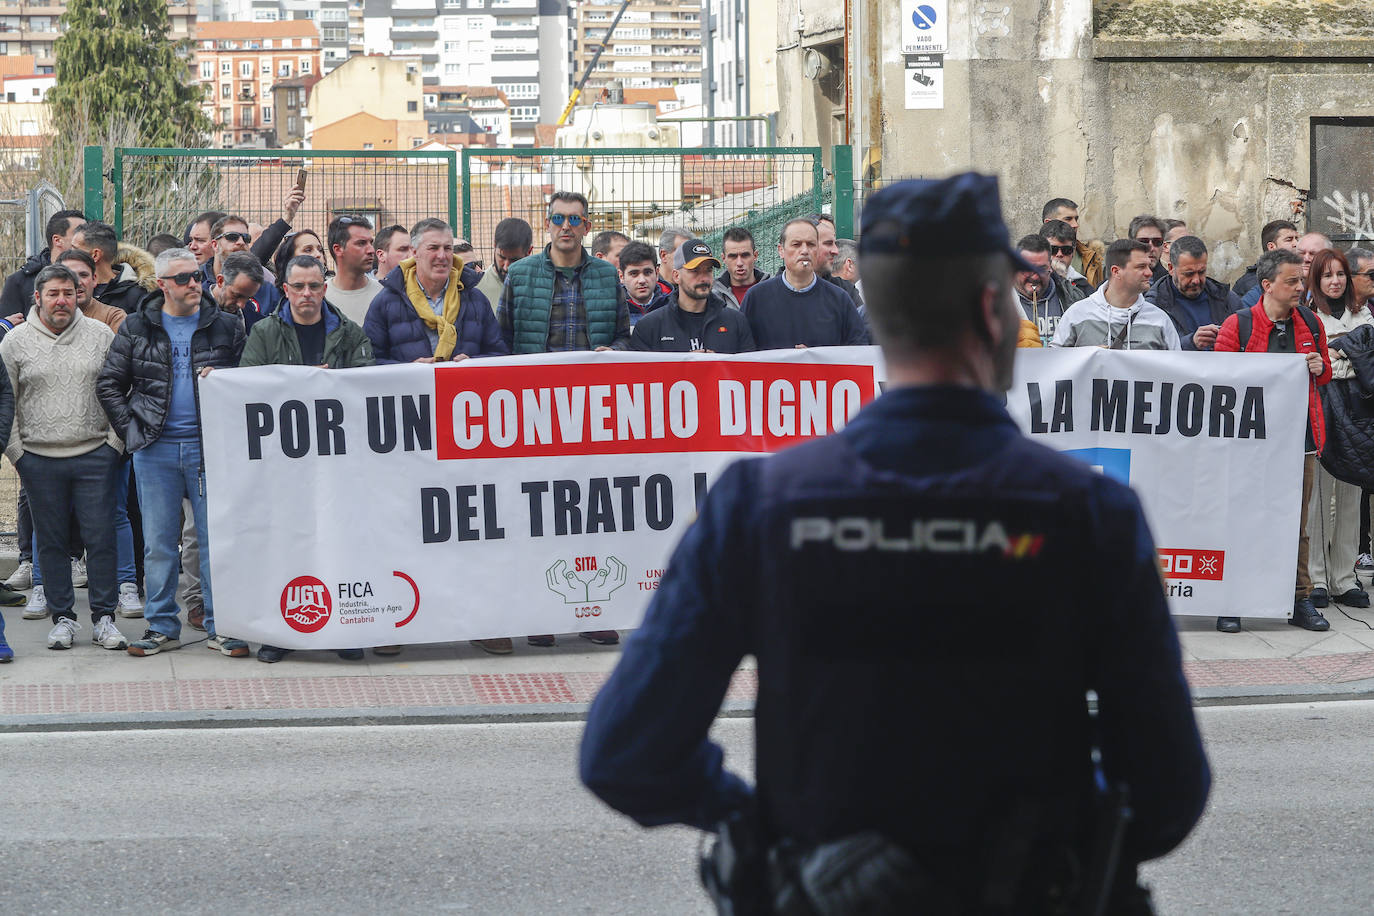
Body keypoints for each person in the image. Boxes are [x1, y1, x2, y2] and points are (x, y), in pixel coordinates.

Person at [581, 173, 1211, 914]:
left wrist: (761, 830)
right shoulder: (1087, 514)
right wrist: (1064, 835)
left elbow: (627, 752)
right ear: (989, 308)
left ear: (874, 307)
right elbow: (1169, 788)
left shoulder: (761, 505)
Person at [97, 247, 250, 658]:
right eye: (183, 278)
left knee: (215, 540)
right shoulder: (136, 327)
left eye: (197, 276)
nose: (194, 284)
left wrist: (227, 385)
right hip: (155, 451)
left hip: (209, 450)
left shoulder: (227, 327)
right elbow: (109, 384)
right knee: (160, 543)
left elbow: (251, 385)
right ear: (162, 284)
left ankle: (223, 626)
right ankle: (162, 626)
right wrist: (133, 433)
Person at [496, 191, 629, 651]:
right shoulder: (520, 274)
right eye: (558, 218)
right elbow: (504, 340)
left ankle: (593, 611)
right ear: (547, 224)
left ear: (587, 226)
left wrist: (616, 354)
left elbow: (625, 338)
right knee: (537, 515)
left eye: (574, 219)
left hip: (593, 413)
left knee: (592, 514)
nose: (566, 226)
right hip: (535, 413)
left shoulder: (607, 277)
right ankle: (541, 612)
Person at [242, 254, 377, 663]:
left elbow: (367, 388)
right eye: (298, 286)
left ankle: (343, 629)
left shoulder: (349, 333)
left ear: (325, 286)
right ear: (285, 289)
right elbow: (248, 387)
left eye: (314, 286)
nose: (306, 294)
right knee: (285, 546)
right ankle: (280, 633)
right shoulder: (265, 332)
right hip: (283, 465)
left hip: (338, 463)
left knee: (339, 544)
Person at [1, 265, 128, 652]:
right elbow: (8, 401)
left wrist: (113, 445)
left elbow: (120, 387)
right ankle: (63, 619)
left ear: (80, 296)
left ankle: (105, 618)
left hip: (95, 454)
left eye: (69, 293)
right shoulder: (15, 342)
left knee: (101, 537)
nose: (62, 301)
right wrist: (19, 453)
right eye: (53, 293)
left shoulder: (100, 335)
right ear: (37, 297)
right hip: (39, 459)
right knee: (51, 542)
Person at [1214, 248, 1332, 634]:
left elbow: (1326, 374)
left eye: (1301, 280)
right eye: (1292, 281)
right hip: (1248, 444)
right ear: (1267, 285)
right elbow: (1220, 380)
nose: (1301, 287)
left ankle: (1299, 598)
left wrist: (1317, 367)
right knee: (1241, 519)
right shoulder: (1239, 324)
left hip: (1298, 442)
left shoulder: (1311, 322)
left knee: (1296, 523)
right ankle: (1232, 599)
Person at [1301, 248, 1371, 611]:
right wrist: (1344, 355)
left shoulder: (1365, 315)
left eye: (1340, 274)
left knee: (1350, 495)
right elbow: (1317, 366)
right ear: (1316, 279)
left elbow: (1365, 364)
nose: (1335, 281)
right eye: (1327, 275)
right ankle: (1316, 578)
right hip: (1322, 412)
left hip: (1358, 415)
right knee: (1317, 499)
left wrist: (1340, 355)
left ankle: (1345, 577)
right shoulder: (1308, 317)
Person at [365, 218, 507, 364]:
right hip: (410, 387)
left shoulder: (476, 300)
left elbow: (499, 354)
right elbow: (371, 361)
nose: (442, 256)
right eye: (433, 248)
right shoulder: (386, 302)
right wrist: (408, 370)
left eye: (447, 248)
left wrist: (472, 363)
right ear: (414, 252)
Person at [741, 219, 870, 350]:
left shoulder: (840, 299)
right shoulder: (756, 298)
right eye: (796, 244)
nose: (804, 251)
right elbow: (742, 354)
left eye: (811, 244)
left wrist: (815, 360)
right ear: (781, 250)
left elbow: (858, 353)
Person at [1052, 239, 1181, 350]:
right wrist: (1088, 356)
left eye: (1148, 266)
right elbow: (1056, 364)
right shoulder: (1077, 315)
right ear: (1116, 271)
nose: (1149, 273)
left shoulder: (1160, 320)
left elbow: (1176, 369)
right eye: (1141, 267)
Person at [629, 240, 755, 353]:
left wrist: (719, 366)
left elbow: (750, 373)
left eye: (708, 270)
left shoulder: (736, 321)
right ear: (676, 276)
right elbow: (639, 376)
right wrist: (685, 366)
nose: (704, 278)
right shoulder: (650, 326)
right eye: (695, 271)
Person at [1143, 235, 1242, 350]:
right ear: (1171, 269)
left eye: (1201, 272)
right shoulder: (1154, 305)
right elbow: (1150, 352)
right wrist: (1191, 342)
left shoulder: (1226, 298)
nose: (1196, 280)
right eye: (1189, 273)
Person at [1, 209, 86, 317]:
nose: (85, 238)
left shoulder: (95, 276)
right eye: (79, 232)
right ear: (57, 240)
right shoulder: (20, 281)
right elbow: (7, 328)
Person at [1012, 234, 1084, 346]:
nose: (1034, 277)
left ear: (1050, 267)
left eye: (1041, 269)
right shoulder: (998, 302)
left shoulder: (1073, 297)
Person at [72, 220, 156, 316]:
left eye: (75, 250)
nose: (68, 254)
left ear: (95, 255)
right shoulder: (67, 287)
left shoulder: (136, 295)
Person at [1240, 231, 1330, 308]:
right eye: (1301, 253)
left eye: (1313, 253)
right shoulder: (1269, 288)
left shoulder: (1336, 288)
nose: (1306, 259)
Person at [325, 215, 382, 326]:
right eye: (361, 243)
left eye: (371, 243)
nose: (371, 250)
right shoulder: (320, 297)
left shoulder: (383, 294)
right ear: (338, 249)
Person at [1041, 197, 1104, 288]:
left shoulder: (1092, 257)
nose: (1075, 225)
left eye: (1067, 250)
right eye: (1068, 219)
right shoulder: (1027, 257)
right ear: (1048, 222)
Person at [1233, 219, 1300, 301]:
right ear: (1271, 247)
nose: (1296, 244)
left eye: (1297, 239)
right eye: (1289, 239)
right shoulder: (1252, 283)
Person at [811, 214, 863, 306]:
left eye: (833, 241)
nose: (835, 250)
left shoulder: (845, 290)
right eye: (828, 242)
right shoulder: (779, 292)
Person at [712, 227, 767, 307]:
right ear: (723, 258)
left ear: (755, 255)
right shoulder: (712, 297)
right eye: (733, 256)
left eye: (745, 255)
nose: (739, 263)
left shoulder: (773, 289)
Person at [1039, 219, 1094, 296]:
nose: (1059, 254)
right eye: (1053, 249)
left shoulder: (1084, 288)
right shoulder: (1028, 283)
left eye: (1066, 250)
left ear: (1073, 252)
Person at [617, 241, 665, 326]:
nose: (642, 280)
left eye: (647, 272)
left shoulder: (673, 305)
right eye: (634, 274)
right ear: (621, 276)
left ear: (657, 273)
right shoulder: (613, 309)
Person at [1127, 215, 1168, 283]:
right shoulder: (1115, 283)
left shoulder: (1170, 283)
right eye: (1143, 242)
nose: (1151, 248)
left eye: (1157, 242)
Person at [656, 228, 692, 297]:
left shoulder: (692, 288)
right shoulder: (649, 288)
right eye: (682, 253)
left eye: (689, 254)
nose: (688, 259)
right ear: (663, 255)